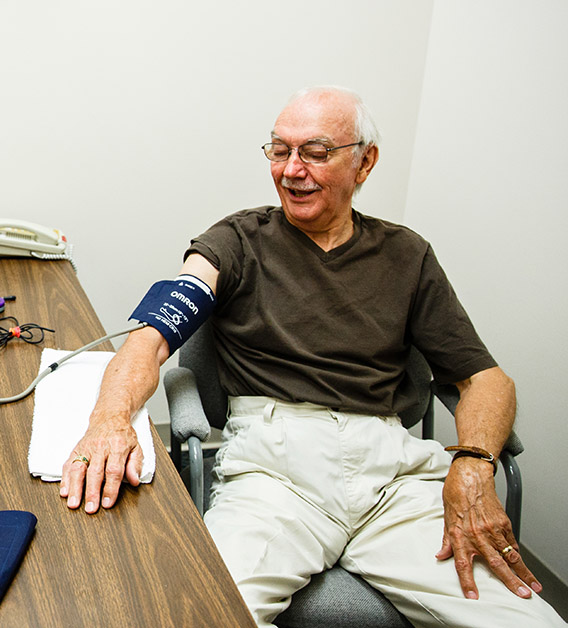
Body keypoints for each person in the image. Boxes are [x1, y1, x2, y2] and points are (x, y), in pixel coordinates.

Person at [58, 86, 566, 626]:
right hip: (275, 473)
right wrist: (109, 421)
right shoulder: (234, 241)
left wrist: (474, 465)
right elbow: (150, 338)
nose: (291, 170)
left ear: (364, 162)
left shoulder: (407, 255)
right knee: (206, 614)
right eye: (280, 151)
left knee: (529, 621)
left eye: (316, 153)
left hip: (392, 475)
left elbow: (486, 380)